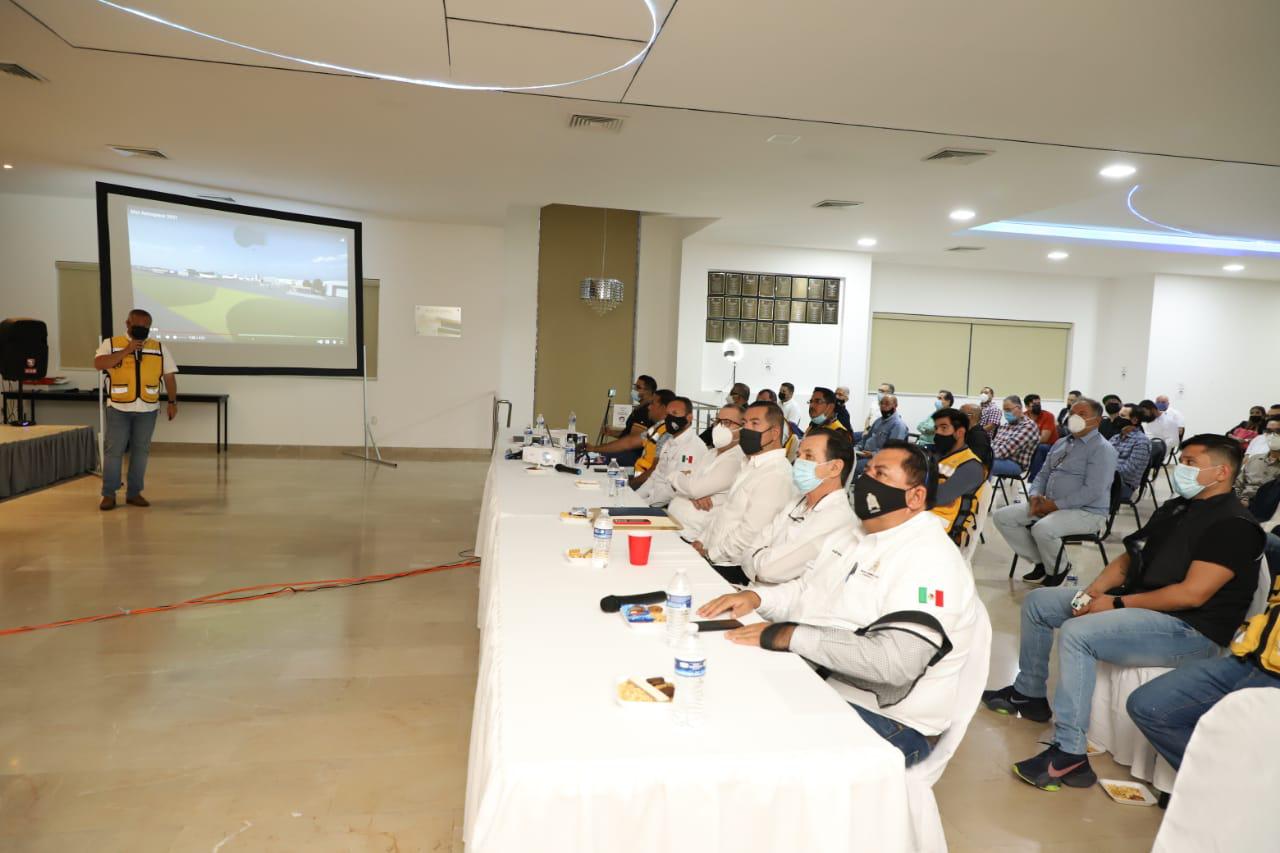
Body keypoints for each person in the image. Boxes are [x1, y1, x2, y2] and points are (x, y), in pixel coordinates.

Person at [984, 434, 1264, 791]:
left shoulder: (1234, 525)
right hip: (1141, 603)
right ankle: (1030, 693)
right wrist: (1094, 591)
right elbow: (1130, 556)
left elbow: (1192, 594)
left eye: (1192, 463)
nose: (1182, 468)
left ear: (1221, 472)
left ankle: (1069, 755)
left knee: (1079, 634)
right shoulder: (1177, 507)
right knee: (1042, 604)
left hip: (1190, 629)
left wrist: (1114, 604)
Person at [698, 441, 981, 767]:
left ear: (915, 497)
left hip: (891, 724)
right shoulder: (853, 535)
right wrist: (757, 597)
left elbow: (895, 662)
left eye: (881, 474)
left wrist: (790, 635)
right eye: (869, 470)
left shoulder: (930, 559)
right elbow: (807, 591)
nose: (866, 479)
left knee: (742, 742)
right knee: (719, 690)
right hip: (821, 682)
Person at [1126, 572, 1280, 772]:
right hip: (1250, 656)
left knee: (1242, 740)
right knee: (1148, 706)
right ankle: (1226, 783)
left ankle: (1240, 789)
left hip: (1272, 677)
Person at [992, 397, 1118, 586]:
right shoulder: (1061, 443)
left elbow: (1093, 490)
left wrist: (1055, 505)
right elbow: (1042, 474)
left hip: (1087, 512)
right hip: (1049, 505)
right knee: (1003, 517)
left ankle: (1059, 568)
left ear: (1097, 421)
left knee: (1043, 528)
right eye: (1073, 413)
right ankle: (1043, 562)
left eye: (1082, 414)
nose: (1075, 418)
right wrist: (1034, 496)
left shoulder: (1102, 449)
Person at [738, 429, 856, 585]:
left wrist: (758, 560)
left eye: (809, 456)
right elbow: (749, 551)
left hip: (779, 604)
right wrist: (759, 565)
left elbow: (771, 570)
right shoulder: (797, 501)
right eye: (798, 455)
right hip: (754, 590)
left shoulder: (836, 518)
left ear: (834, 468)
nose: (799, 462)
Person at [692, 401, 798, 569]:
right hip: (713, 553)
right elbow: (724, 512)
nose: (746, 429)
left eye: (754, 423)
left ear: (774, 433)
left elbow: (751, 532)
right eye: (744, 424)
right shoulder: (749, 464)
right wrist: (702, 540)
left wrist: (710, 554)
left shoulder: (775, 475)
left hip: (730, 565)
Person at [93, 308, 178, 510]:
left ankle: (134, 493)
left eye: (146, 327)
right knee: (114, 452)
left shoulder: (158, 347)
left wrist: (173, 402)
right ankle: (109, 495)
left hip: (147, 408)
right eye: (138, 326)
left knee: (141, 452)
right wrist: (128, 350)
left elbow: (169, 376)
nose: (142, 329)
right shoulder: (111, 344)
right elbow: (99, 364)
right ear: (127, 324)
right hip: (118, 407)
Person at [668, 405, 747, 538]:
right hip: (674, 524)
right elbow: (691, 486)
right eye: (718, 421)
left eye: (727, 423)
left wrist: (678, 478)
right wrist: (690, 487)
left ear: (742, 427)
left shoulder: (735, 459)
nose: (719, 427)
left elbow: (693, 488)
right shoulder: (711, 452)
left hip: (693, 535)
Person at [631, 397, 705, 506]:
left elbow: (673, 489)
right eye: (667, 414)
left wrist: (645, 504)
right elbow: (655, 476)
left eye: (675, 413)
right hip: (654, 500)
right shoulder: (669, 442)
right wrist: (635, 499)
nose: (670, 418)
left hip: (673, 506)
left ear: (689, 418)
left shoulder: (692, 447)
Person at [929, 407, 987, 547]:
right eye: (936, 428)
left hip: (946, 530)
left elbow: (939, 497)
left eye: (944, 428)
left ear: (960, 432)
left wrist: (917, 489)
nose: (937, 433)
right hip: (926, 517)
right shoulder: (938, 455)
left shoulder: (971, 466)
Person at [587, 376, 660, 465]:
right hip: (627, 452)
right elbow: (628, 434)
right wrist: (612, 433)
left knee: (595, 458)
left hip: (633, 455)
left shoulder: (644, 411)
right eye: (634, 386)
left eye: (638, 387)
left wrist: (595, 448)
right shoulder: (639, 409)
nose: (634, 390)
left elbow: (631, 441)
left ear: (649, 391)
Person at [854, 393, 908, 476]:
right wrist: (856, 448)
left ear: (895, 405)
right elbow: (866, 438)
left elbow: (892, 451)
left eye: (887, 404)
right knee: (845, 460)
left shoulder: (898, 425)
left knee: (855, 467)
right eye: (881, 403)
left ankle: (854, 487)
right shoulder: (878, 421)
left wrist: (872, 454)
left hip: (880, 459)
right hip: (864, 454)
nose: (883, 406)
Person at [626, 390, 674, 478]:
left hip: (645, 480)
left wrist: (632, 484)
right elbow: (631, 441)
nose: (649, 407)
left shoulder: (667, 432)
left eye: (652, 403)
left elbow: (654, 470)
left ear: (663, 407)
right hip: (639, 473)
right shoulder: (657, 427)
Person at [1109, 404, 1153, 502]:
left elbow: (1129, 471)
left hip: (1123, 486)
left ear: (1134, 420)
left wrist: (1104, 470)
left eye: (1123, 416)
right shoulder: (1115, 438)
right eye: (1118, 415)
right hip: (1107, 480)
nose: (1118, 418)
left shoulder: (1141, 442)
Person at [990, 395, 1039, 479]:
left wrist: (985, 454)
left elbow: (1004, 451)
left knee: (980, 463)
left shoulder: (1028, 426)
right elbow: (994, 444)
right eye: (1004, 410)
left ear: (1019, 408)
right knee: (974, 461)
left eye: (1008, 410)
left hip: (1015, 464)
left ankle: (980, 491)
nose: (1006, 413)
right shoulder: (1005, 425)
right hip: (999, 459)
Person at [1234, 416, 1280, 503]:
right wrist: (1238, 501)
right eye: (1269, 431)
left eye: (1278, 431)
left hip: (1269, 509)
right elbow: (1238, 484)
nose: (1273, 435)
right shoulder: (1254, 459)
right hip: (1242, 504)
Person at [959, 403, 994, 471]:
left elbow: (975, 461)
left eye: (960, 414)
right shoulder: (967, 432)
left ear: (971, 416)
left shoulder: (979, 436)